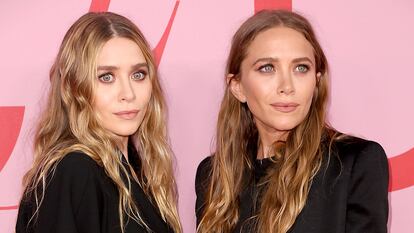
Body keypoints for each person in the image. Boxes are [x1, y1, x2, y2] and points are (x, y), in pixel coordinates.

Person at [195, 10, 388, 233]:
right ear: (237, 86)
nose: (287, 86)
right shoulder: (212, 175)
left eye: (301, 68)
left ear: (316, 81)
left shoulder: (355, 162)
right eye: (267, 68)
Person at [16, 12, 181, 233]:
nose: (128, 93)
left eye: (138, 74)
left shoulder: (134, 168)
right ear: (72, 88)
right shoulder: (76, 169)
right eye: (106, 77)